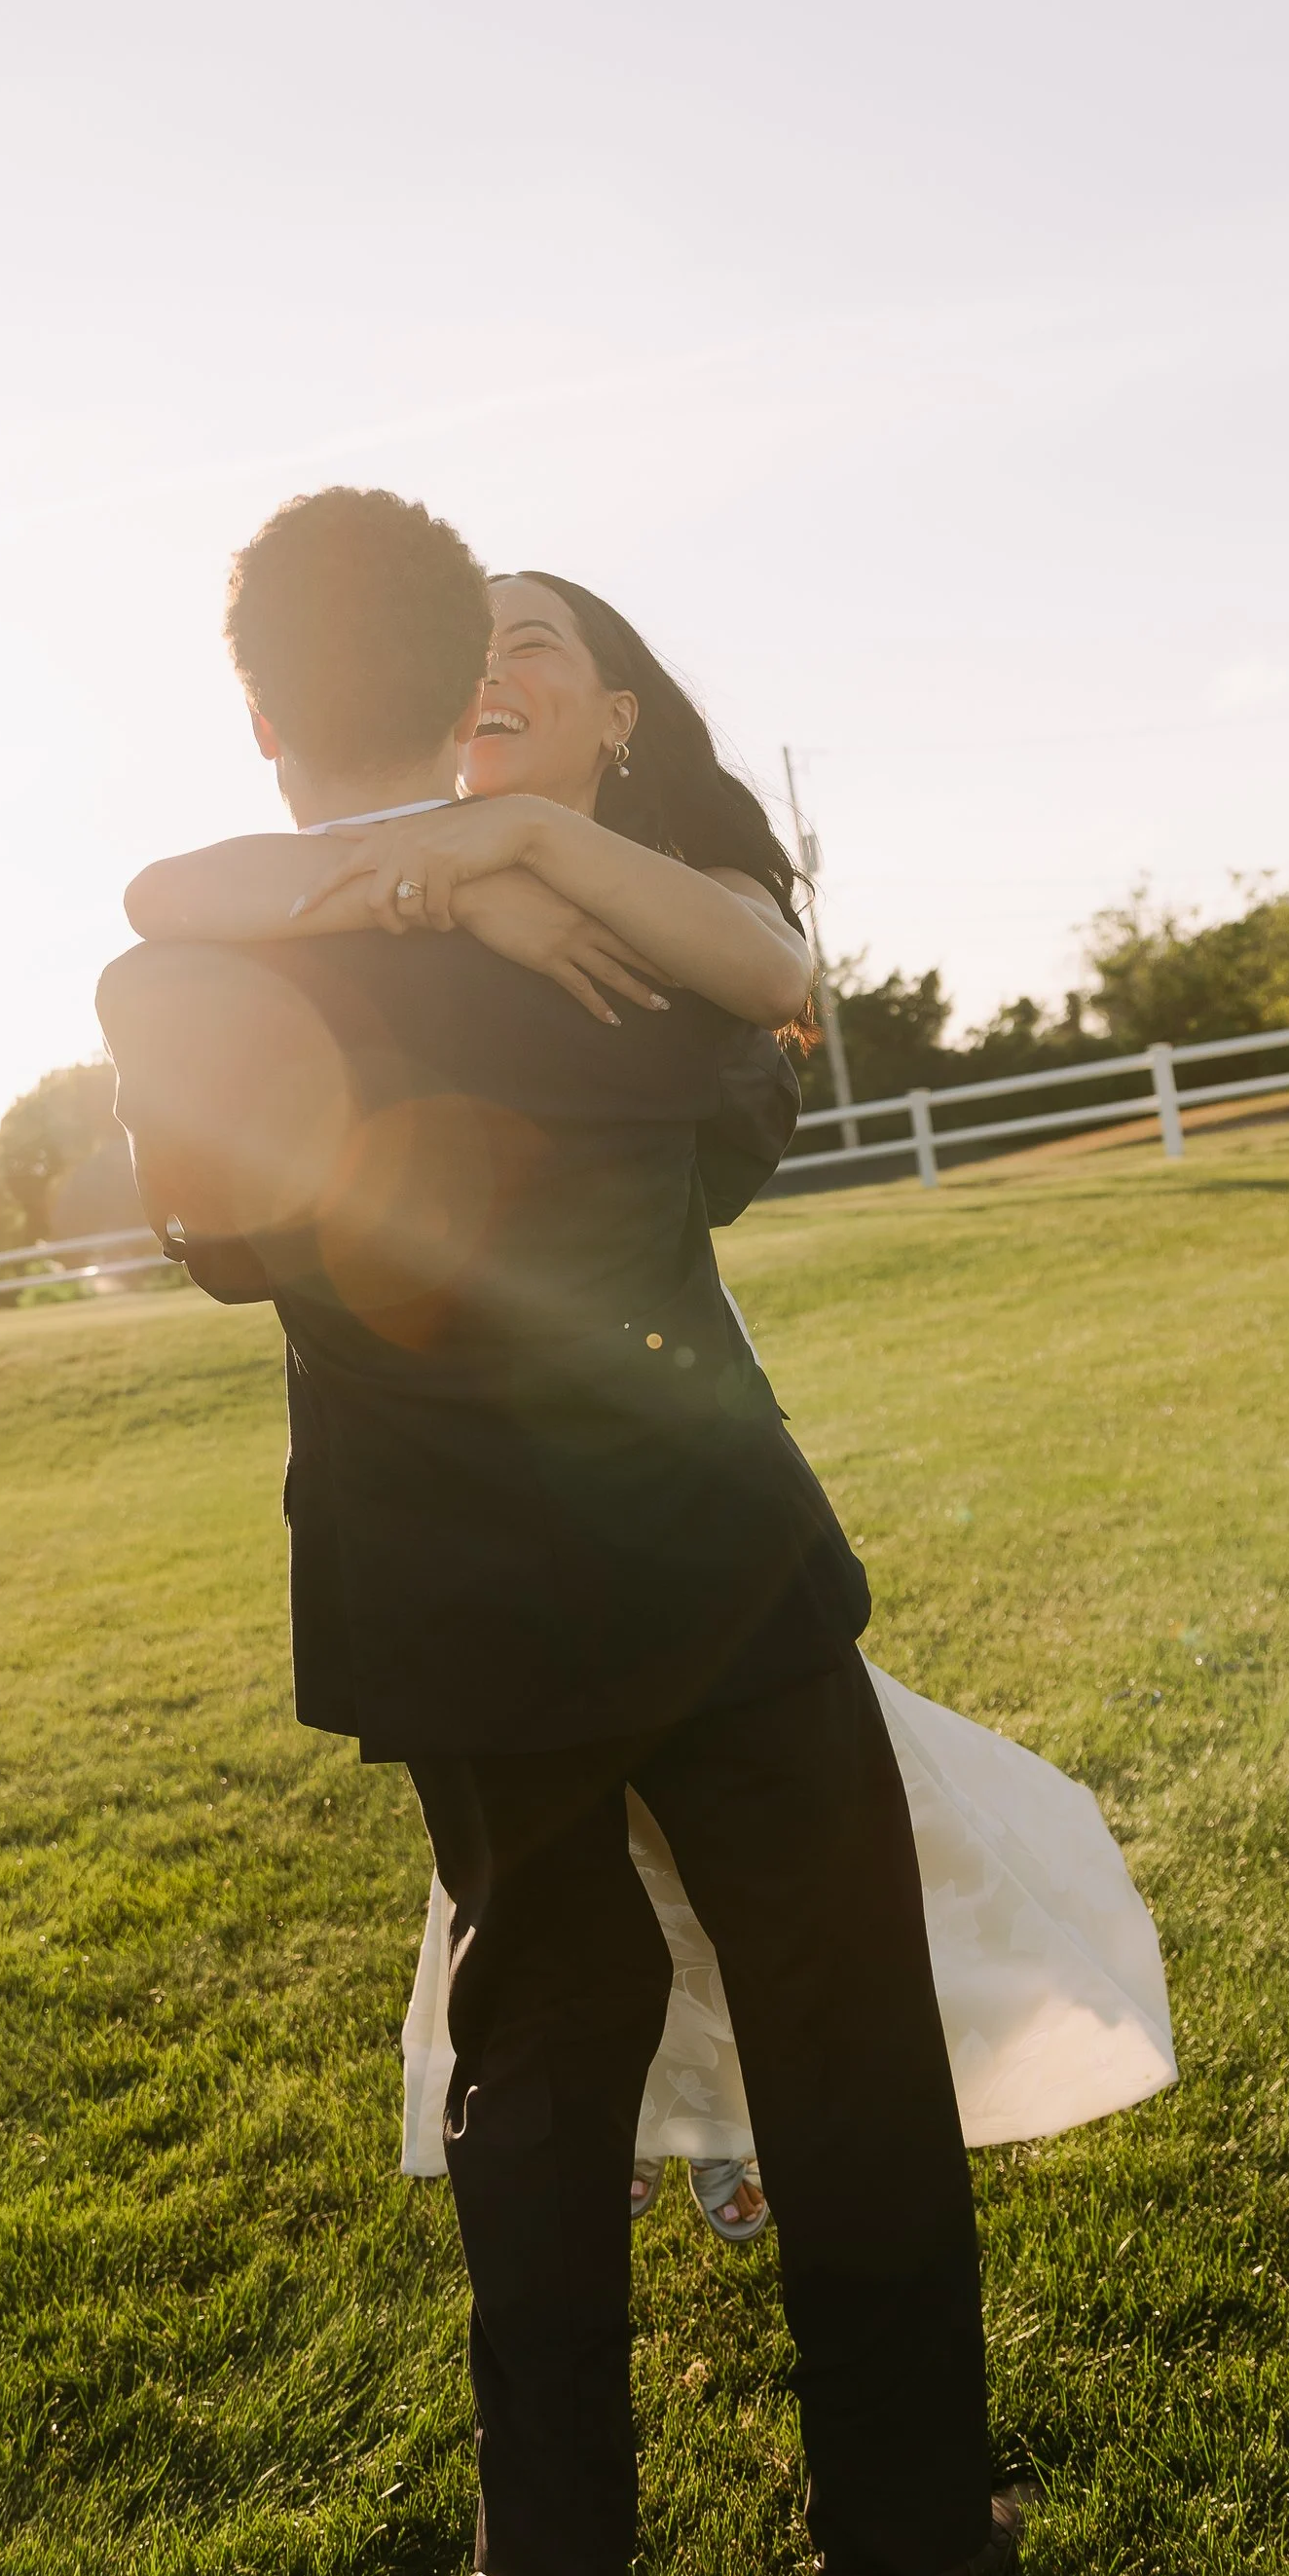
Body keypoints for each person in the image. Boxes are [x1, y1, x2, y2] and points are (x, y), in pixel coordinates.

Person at [99, 487, 1022, 2576]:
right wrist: (499, 874)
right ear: (456, 695)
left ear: (253, 717)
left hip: (456, 1604)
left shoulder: (178, 979)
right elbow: (727, 1132)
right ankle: (909, 2537)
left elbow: (226, 1250)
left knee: (537, 2063)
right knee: (844, 2039)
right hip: (715, 1551)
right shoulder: (628, 951)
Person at [125, 567, 1178, 2253]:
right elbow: (171, 890)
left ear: (621, 713)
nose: (485, 664)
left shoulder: (693, 899)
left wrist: (521, 863)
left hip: (660, 1459)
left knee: (786, 1885)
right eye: (464, 640)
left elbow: (740, 1042)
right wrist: (458, 885)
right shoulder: (387, 882)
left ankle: (727, 2110)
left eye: (531, 639)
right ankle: (657, 2107)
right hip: (479, 1527)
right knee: (576, 1909)